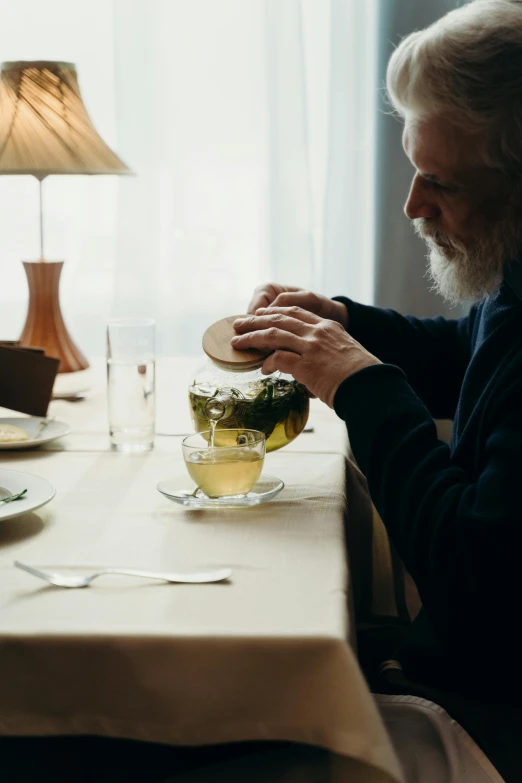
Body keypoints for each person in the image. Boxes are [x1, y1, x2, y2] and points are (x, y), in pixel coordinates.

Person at [231, 1, 522, 779]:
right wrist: (345, 323)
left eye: (441, 182)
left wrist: (359, 384)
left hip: (488, 717)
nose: (413, 206)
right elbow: (477, 356)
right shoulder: (516, 281)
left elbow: (471, 581)